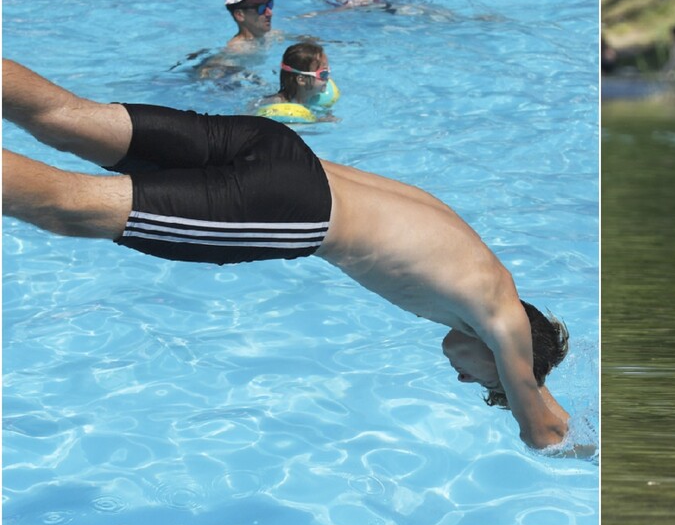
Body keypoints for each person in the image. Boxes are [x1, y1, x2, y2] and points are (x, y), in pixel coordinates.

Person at [1, 59, 576, 452]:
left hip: (276, 148)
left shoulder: (473, 261)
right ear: (509, 358)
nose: (461, 379)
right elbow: (545, 430)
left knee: (67, 118)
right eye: (482, 382)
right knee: (63, 206)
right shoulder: (500, 319)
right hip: (290, 205)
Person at [252, 42, 340, 123]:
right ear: (301, 80)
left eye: (328, 71)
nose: (328, 78)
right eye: (323, 74)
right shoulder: (277, 103)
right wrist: (316, 122)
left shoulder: (315, 98)